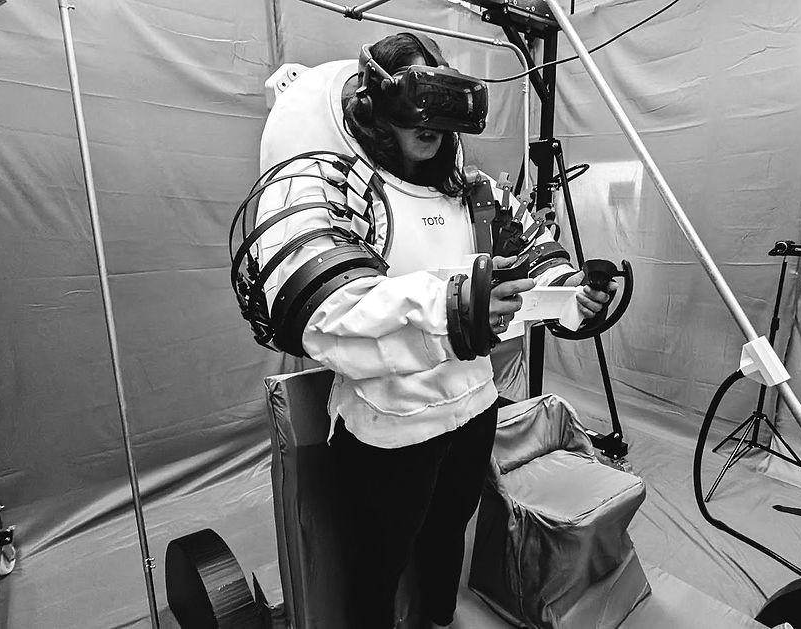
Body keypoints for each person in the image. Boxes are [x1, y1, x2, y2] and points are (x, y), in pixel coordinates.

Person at [254, 32, 616, 628]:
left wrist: (574, 291)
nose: (431, 124)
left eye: (441, 105)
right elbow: (324, 306)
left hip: (473, 408)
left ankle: (435, 621)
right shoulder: (338, 187)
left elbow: (532, 252)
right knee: (379, 560)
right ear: (375, 104)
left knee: (448, 534)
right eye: (415, 103)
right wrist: (455, 306)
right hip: (392, 427)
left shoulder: (471, 191)